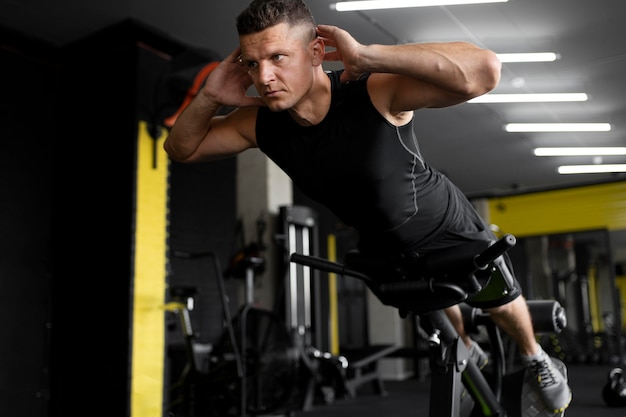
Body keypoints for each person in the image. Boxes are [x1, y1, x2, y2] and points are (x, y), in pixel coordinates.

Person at [163, 0, 572, 413]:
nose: (264, 77)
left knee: (496, 299)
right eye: (251, 64)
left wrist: (366, 55)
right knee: (438, 314)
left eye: (278, 58)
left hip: (443, 223)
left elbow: (485, 71)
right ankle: (470, 350)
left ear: (316, 53)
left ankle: (535, 356)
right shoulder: (260, 124)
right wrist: (212, 95)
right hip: (382, 244)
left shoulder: (374, 91)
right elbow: (181, 149)